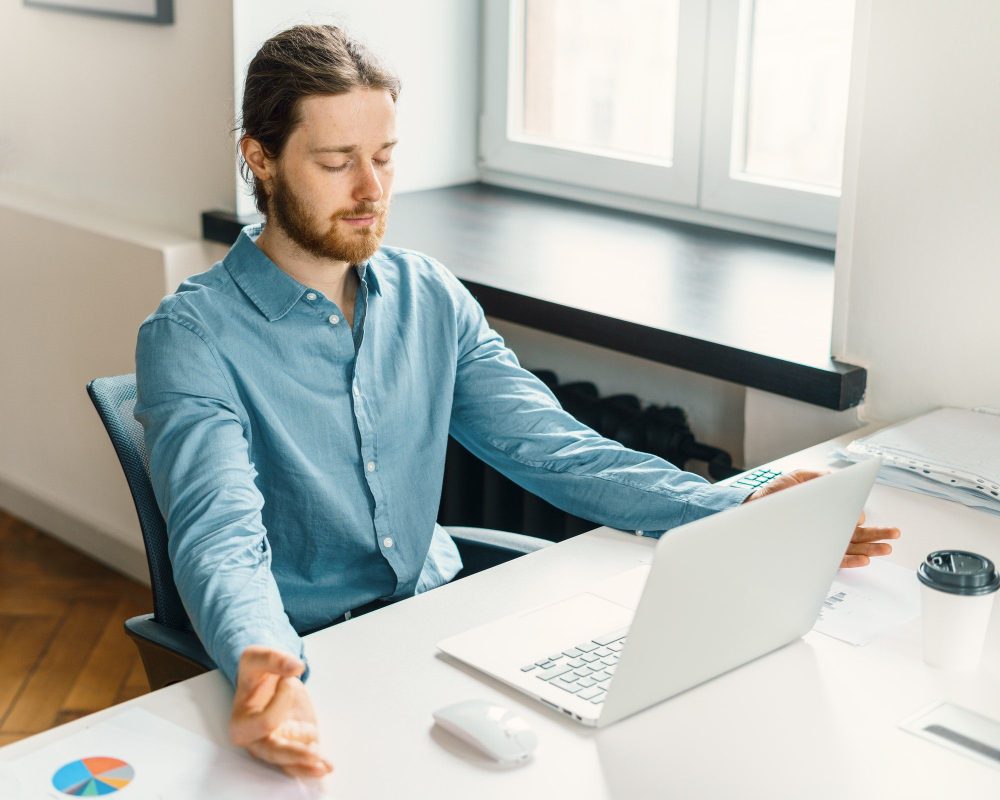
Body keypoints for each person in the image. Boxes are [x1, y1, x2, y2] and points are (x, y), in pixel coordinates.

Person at [134, 24, 900, 780]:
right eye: (337, 163)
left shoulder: (427, 295)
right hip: (316, 657)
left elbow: (552, 447)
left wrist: (741, 507)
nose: (371, 190)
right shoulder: (192, 336)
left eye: (385, 157)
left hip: (436, 624)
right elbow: (219, 538)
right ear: (260, 160)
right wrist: (266, 666)